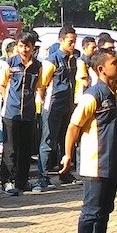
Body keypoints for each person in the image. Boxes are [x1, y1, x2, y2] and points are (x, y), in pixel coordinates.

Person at [60, 49, 117, 233]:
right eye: (114, 63)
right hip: (95, 163)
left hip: (113, 161)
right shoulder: (92, 96)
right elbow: (73, 127)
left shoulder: (114, 93)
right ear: (101, 69)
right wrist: (68, 155)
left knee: (106, 210)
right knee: (91, 212)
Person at [0, 31, 44, 195]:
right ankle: (7, 181)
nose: (24, 49)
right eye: (21, 46)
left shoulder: (38, 66)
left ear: (33, 48)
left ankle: (22, 181)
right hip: (11, 112)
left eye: (27, 46)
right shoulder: (9, 63)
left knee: (25, 149)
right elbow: (3, 85)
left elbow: (39, 87)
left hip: (29, 112)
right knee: (10, 149)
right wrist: (8, 102)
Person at [38, 26, 79, 190]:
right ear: (61, 40)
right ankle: (43, 177)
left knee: (66, 141)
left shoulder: (73, 60)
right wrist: (44, 104)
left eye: (75, 41)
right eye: (70, 41)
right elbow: (42, 85)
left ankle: (65, 173)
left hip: (67, 106)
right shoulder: (52, 61)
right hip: (53, 106)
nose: (73, 45)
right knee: (48, 141)